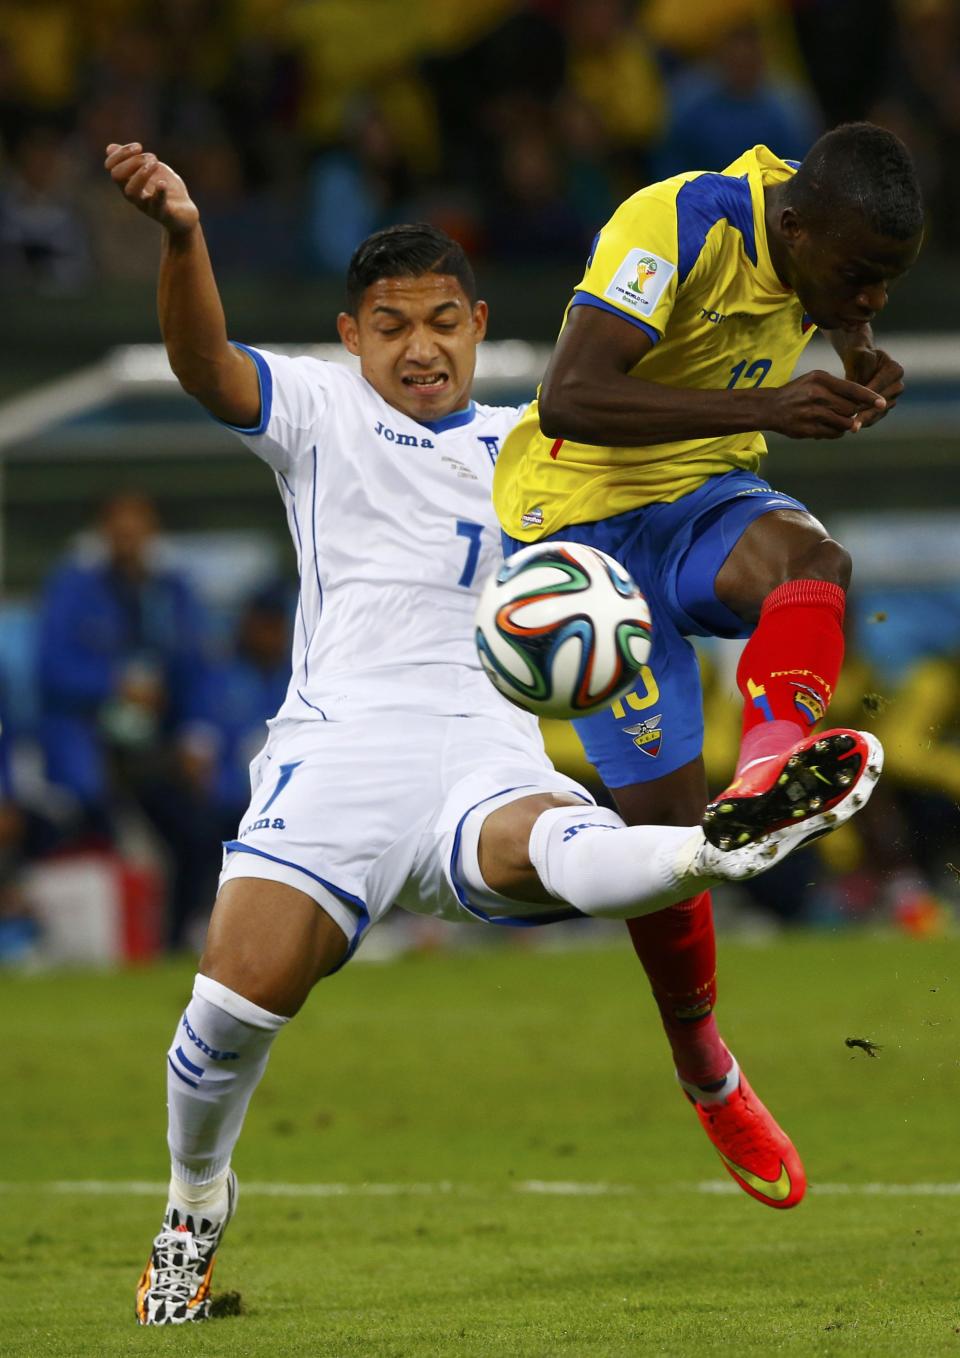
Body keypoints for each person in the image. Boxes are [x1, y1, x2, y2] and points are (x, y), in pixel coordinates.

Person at [104, 139, 879, 1325]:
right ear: (351, 335)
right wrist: (181, 234)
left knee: (573, 852)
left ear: (475, 324)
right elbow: (206, 363)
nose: (419, 347)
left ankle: (725, 842)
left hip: (488, 747)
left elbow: (660, 522)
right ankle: (193, 1204)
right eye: (391, 324)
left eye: (442, 321)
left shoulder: (541, 454)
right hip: (345, 750)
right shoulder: (317, 409)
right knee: (227, 1015)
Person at [493, 120, 921, 1210]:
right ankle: (705, 1064)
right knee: (668, 852)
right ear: (793, 226)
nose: (868, 297)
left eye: (887, 285)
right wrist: (769, 405)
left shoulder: (820, 238)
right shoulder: (675, 224)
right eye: (858, 279)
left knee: (813, 562)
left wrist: (854, 350)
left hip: (703, 499)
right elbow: (574, 394)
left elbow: (823, 302)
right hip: (580, 531)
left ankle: (773, 761)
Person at [35, 491, 217, 948]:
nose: (129, 539)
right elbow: (53, 671)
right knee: (112, 834)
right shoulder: (73, 590)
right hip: (94, 740)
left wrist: (197, 738)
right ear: (103, 534)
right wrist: (113, 684)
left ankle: (174, 945)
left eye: (137, 529)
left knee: (198, 834)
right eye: (119, 530)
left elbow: (195, 670)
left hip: (154, 746)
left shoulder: (171, 592)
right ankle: (120, 947)